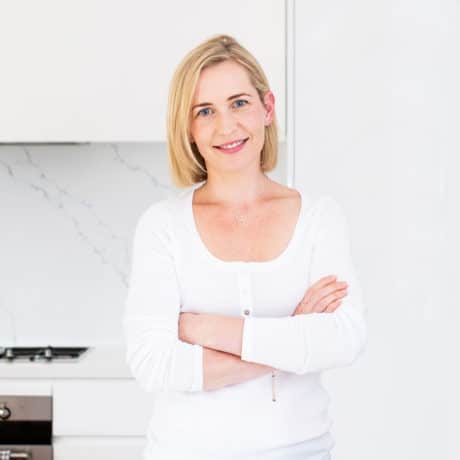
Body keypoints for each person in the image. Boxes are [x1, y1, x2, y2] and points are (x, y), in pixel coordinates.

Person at [122, 34, 367, 460]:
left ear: (267, 108)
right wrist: (291, 337)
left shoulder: (318, 217)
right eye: (205, 111)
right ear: (189, 129)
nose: (226, 126)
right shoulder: (162, 226)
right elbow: (153, 363)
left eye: (239, 103)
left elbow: (344, 338)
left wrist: (207, 329)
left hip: (300, 451)